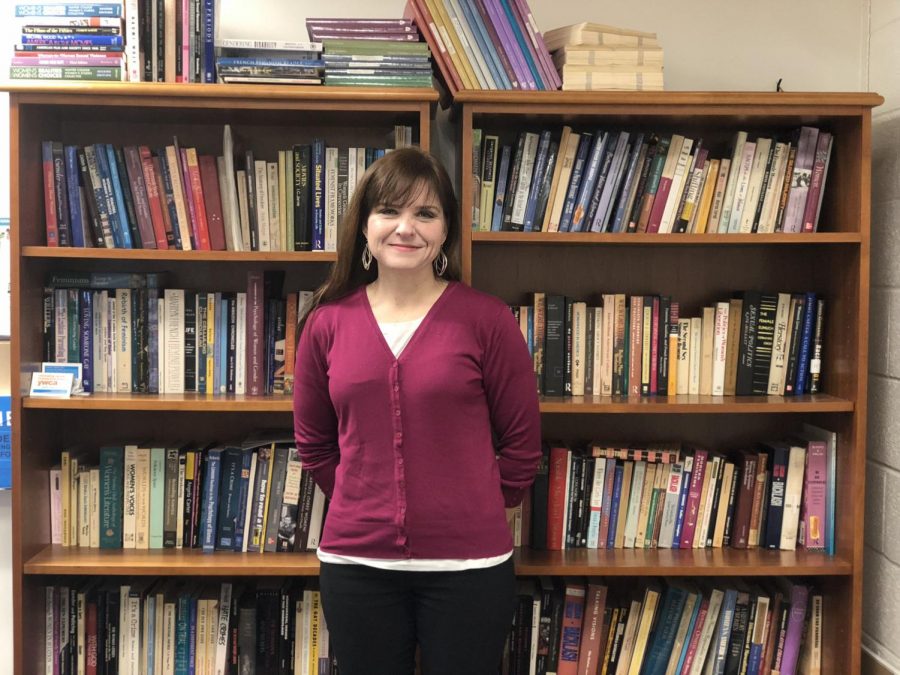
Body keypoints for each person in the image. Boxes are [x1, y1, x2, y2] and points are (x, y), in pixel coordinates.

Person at [292, 146, 542, 675]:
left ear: (445, 231)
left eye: (424, 213)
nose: (405, 228)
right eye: (389, 211)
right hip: (357, 564)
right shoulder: (326, 323)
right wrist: (364, 500)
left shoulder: (487, 321)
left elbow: (521, 444)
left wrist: (472, 504)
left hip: (470, 566)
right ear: (365, 226)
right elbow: (314, 443)